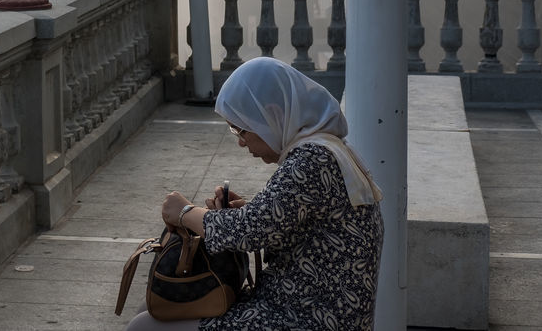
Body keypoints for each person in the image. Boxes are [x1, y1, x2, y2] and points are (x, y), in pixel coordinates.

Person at [123, 57, 384, 330]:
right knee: (157, 308)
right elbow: (280, 222)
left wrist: (185, 212)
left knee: (144, 326)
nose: (240, 140)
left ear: (271, 114)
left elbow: (250, 231)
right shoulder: (325, 149)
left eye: (241, 128)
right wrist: (244, 210)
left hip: (304, 318)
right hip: (299, 305)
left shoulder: (312, 160)